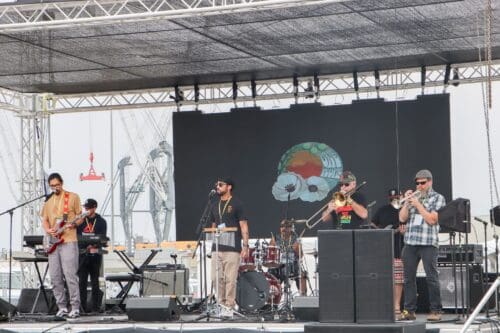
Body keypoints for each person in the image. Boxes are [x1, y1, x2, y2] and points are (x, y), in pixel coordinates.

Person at [398, 169, 446, 322]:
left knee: (431, 277)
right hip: (410, 243)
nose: (419, 186)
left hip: (428, 243)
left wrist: (418, 204)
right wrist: (406, 203)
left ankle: (436, 310)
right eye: (417, 183)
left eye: (423, 183)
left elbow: (432, 219)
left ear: (430, 182)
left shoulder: (438, 198)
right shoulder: (413, 198)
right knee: (408, 278)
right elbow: (402, 218)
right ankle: (409, 311)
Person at [41, 173, 85, 318]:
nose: (55, 188)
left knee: (70, 275)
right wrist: (48, 230)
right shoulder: (48, 202)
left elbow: (80, 217)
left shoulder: (72, 197)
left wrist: (74, 224)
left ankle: (75, 306)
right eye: (52, 186)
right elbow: (45, 220)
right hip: (53, 243)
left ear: (62, 183)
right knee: (55, 276)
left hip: (68, 241)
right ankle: (62, 307)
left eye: (57, 185)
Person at [208, 177, 249, 318]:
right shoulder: (214, 205)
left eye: (220, 184)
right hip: (217, 247)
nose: (217, 187)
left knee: (230, 279)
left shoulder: (237, 204)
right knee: (215, 277)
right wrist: (211, 243)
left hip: (232, 247)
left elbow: (243, 225)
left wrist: (245, 245)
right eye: (216, 184)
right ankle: (220, 304)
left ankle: (228, 306)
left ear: (229, 187)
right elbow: (213, 227)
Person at [372, 189, 404, 317]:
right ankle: (383, 306)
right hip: (383, 250)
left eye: (397, 197)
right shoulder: (382, 209)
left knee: (398, 278)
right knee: (382, 278)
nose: (394, 200)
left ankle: (397, 306)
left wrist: (403, 231)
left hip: (399, 248)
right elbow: (372, 223)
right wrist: (380, 232)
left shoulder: (405, 211)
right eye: (392, 198)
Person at [77, 199, 107, 314]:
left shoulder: (101, 221)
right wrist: (85, 245)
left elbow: (102, 238)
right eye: (85, 208)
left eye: (88, 208)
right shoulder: (81, 221)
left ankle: (96, 307)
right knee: (82, 282)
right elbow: (77, 236)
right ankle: (82, 308)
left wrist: (93, 244)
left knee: (95, 281)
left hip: (95, 255)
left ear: (94, 207)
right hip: (82, 255)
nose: (86, 210)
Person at [268, 220, 307, 296]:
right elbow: (270, 253)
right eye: (282, 226)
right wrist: (272, 248)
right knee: (270, 274)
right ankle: (272, 301)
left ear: (290, 228)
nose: (283, 228)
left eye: (286, 227)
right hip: (278, 265)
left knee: (302, 274)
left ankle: (303, 298)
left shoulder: (295, 237)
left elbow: (301, 255)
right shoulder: (275, 237)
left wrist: (297, 249)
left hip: (293, 264)